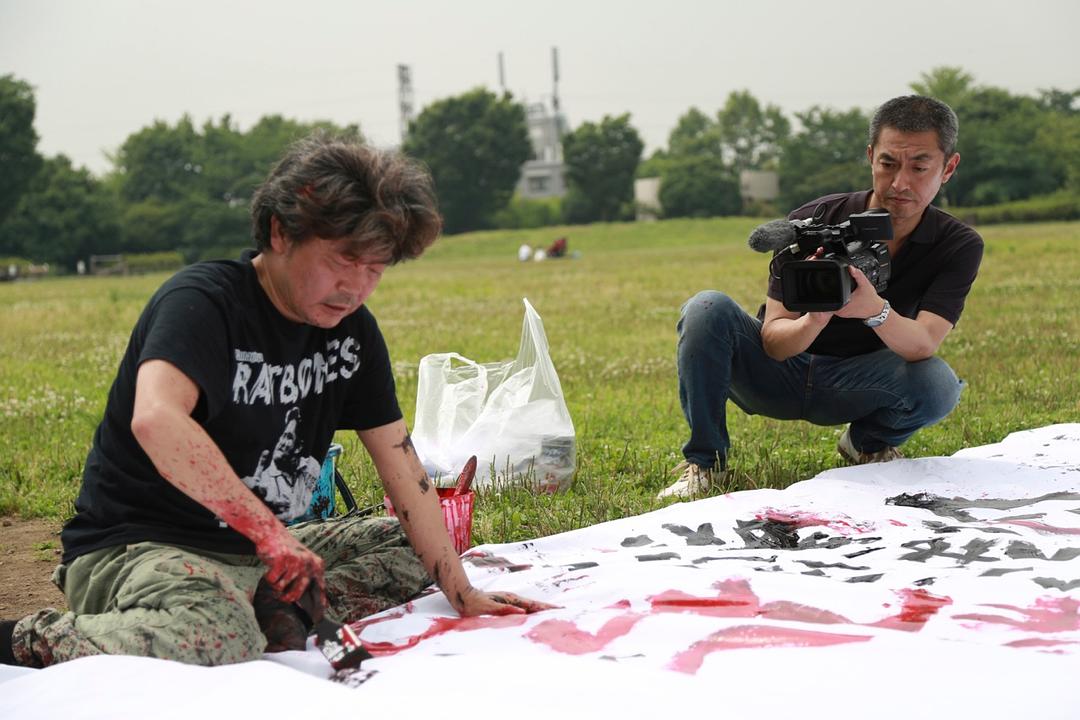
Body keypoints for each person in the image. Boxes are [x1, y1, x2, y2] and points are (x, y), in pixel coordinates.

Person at [1, 135, 552, 668]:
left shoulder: (352, 334)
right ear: (280, 233)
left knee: (417, 551)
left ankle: (261, 605)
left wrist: (459, 589)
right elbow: (156, 419)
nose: (355, 288)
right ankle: (31, 640)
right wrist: (267, 535)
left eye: (375, 269)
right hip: (141, 547)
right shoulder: (204, 302)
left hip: (262, 552)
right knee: (222, 634)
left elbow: (402, 467)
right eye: (343, 260)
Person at [659, 95, 983, 500]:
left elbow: (924, 342)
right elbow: (774, 344)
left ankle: (866, 443)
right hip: (780, 372)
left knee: (938, 384)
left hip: (861, 380)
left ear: (948, 167)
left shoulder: (958, 244)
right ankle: (706, 466)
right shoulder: (813, 225)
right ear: (870, 156)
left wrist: (873, 310)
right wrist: (815, 317)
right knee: (706, 308)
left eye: (919, 167)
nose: (900, 183)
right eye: (888, 163)